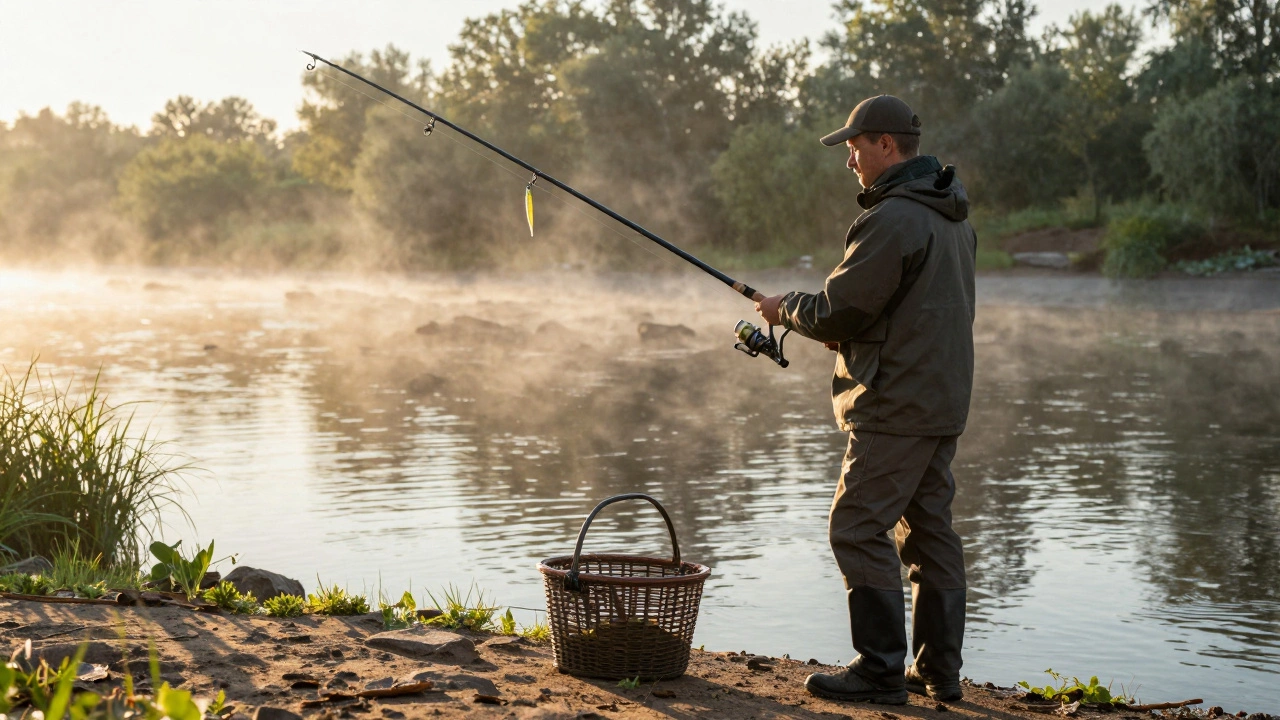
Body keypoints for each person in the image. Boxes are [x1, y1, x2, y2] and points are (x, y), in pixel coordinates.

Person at [754, 95, 976, 705]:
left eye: (854, 144)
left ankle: (879, 672)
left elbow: (838, 310)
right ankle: (939, 673)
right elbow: (909, 312)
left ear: (886, 144)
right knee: (929, 532)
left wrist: (785, 309)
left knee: (854, 527)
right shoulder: (951, 214)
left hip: (896, 404)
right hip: (939, 398)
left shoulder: (896, 217)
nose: (848, 157)